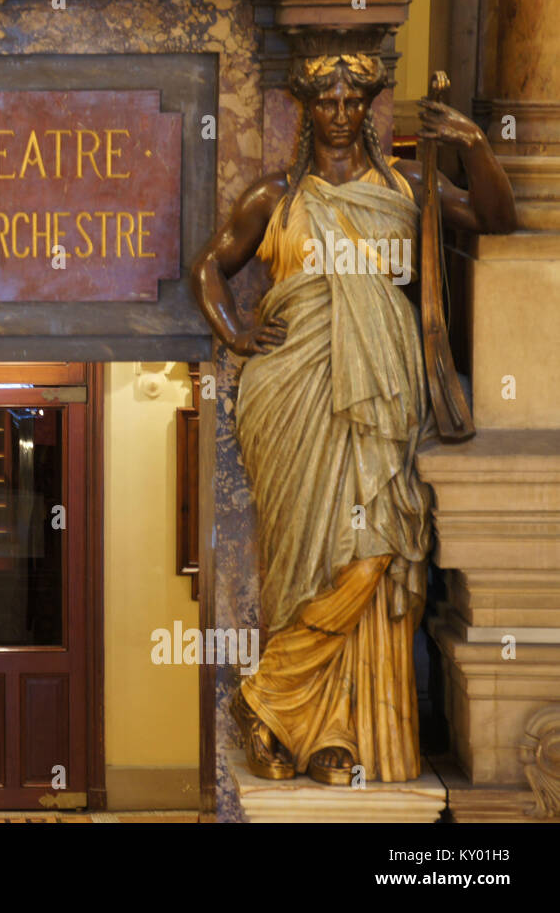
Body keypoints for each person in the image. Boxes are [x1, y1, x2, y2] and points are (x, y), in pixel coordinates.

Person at [190, 51, 515, 784]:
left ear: (367, 107)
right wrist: (237, 336)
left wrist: (475, 146)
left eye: (351, 101)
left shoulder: (406, 187)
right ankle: (312, 727)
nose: (339, 113)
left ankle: (281, 704)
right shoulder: (277, 195)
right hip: (294, 395)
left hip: (384, 399)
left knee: (373, 552)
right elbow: (210, 266)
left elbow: (497, 217)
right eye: (326, 102)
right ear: (308, 109)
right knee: (308, 558)